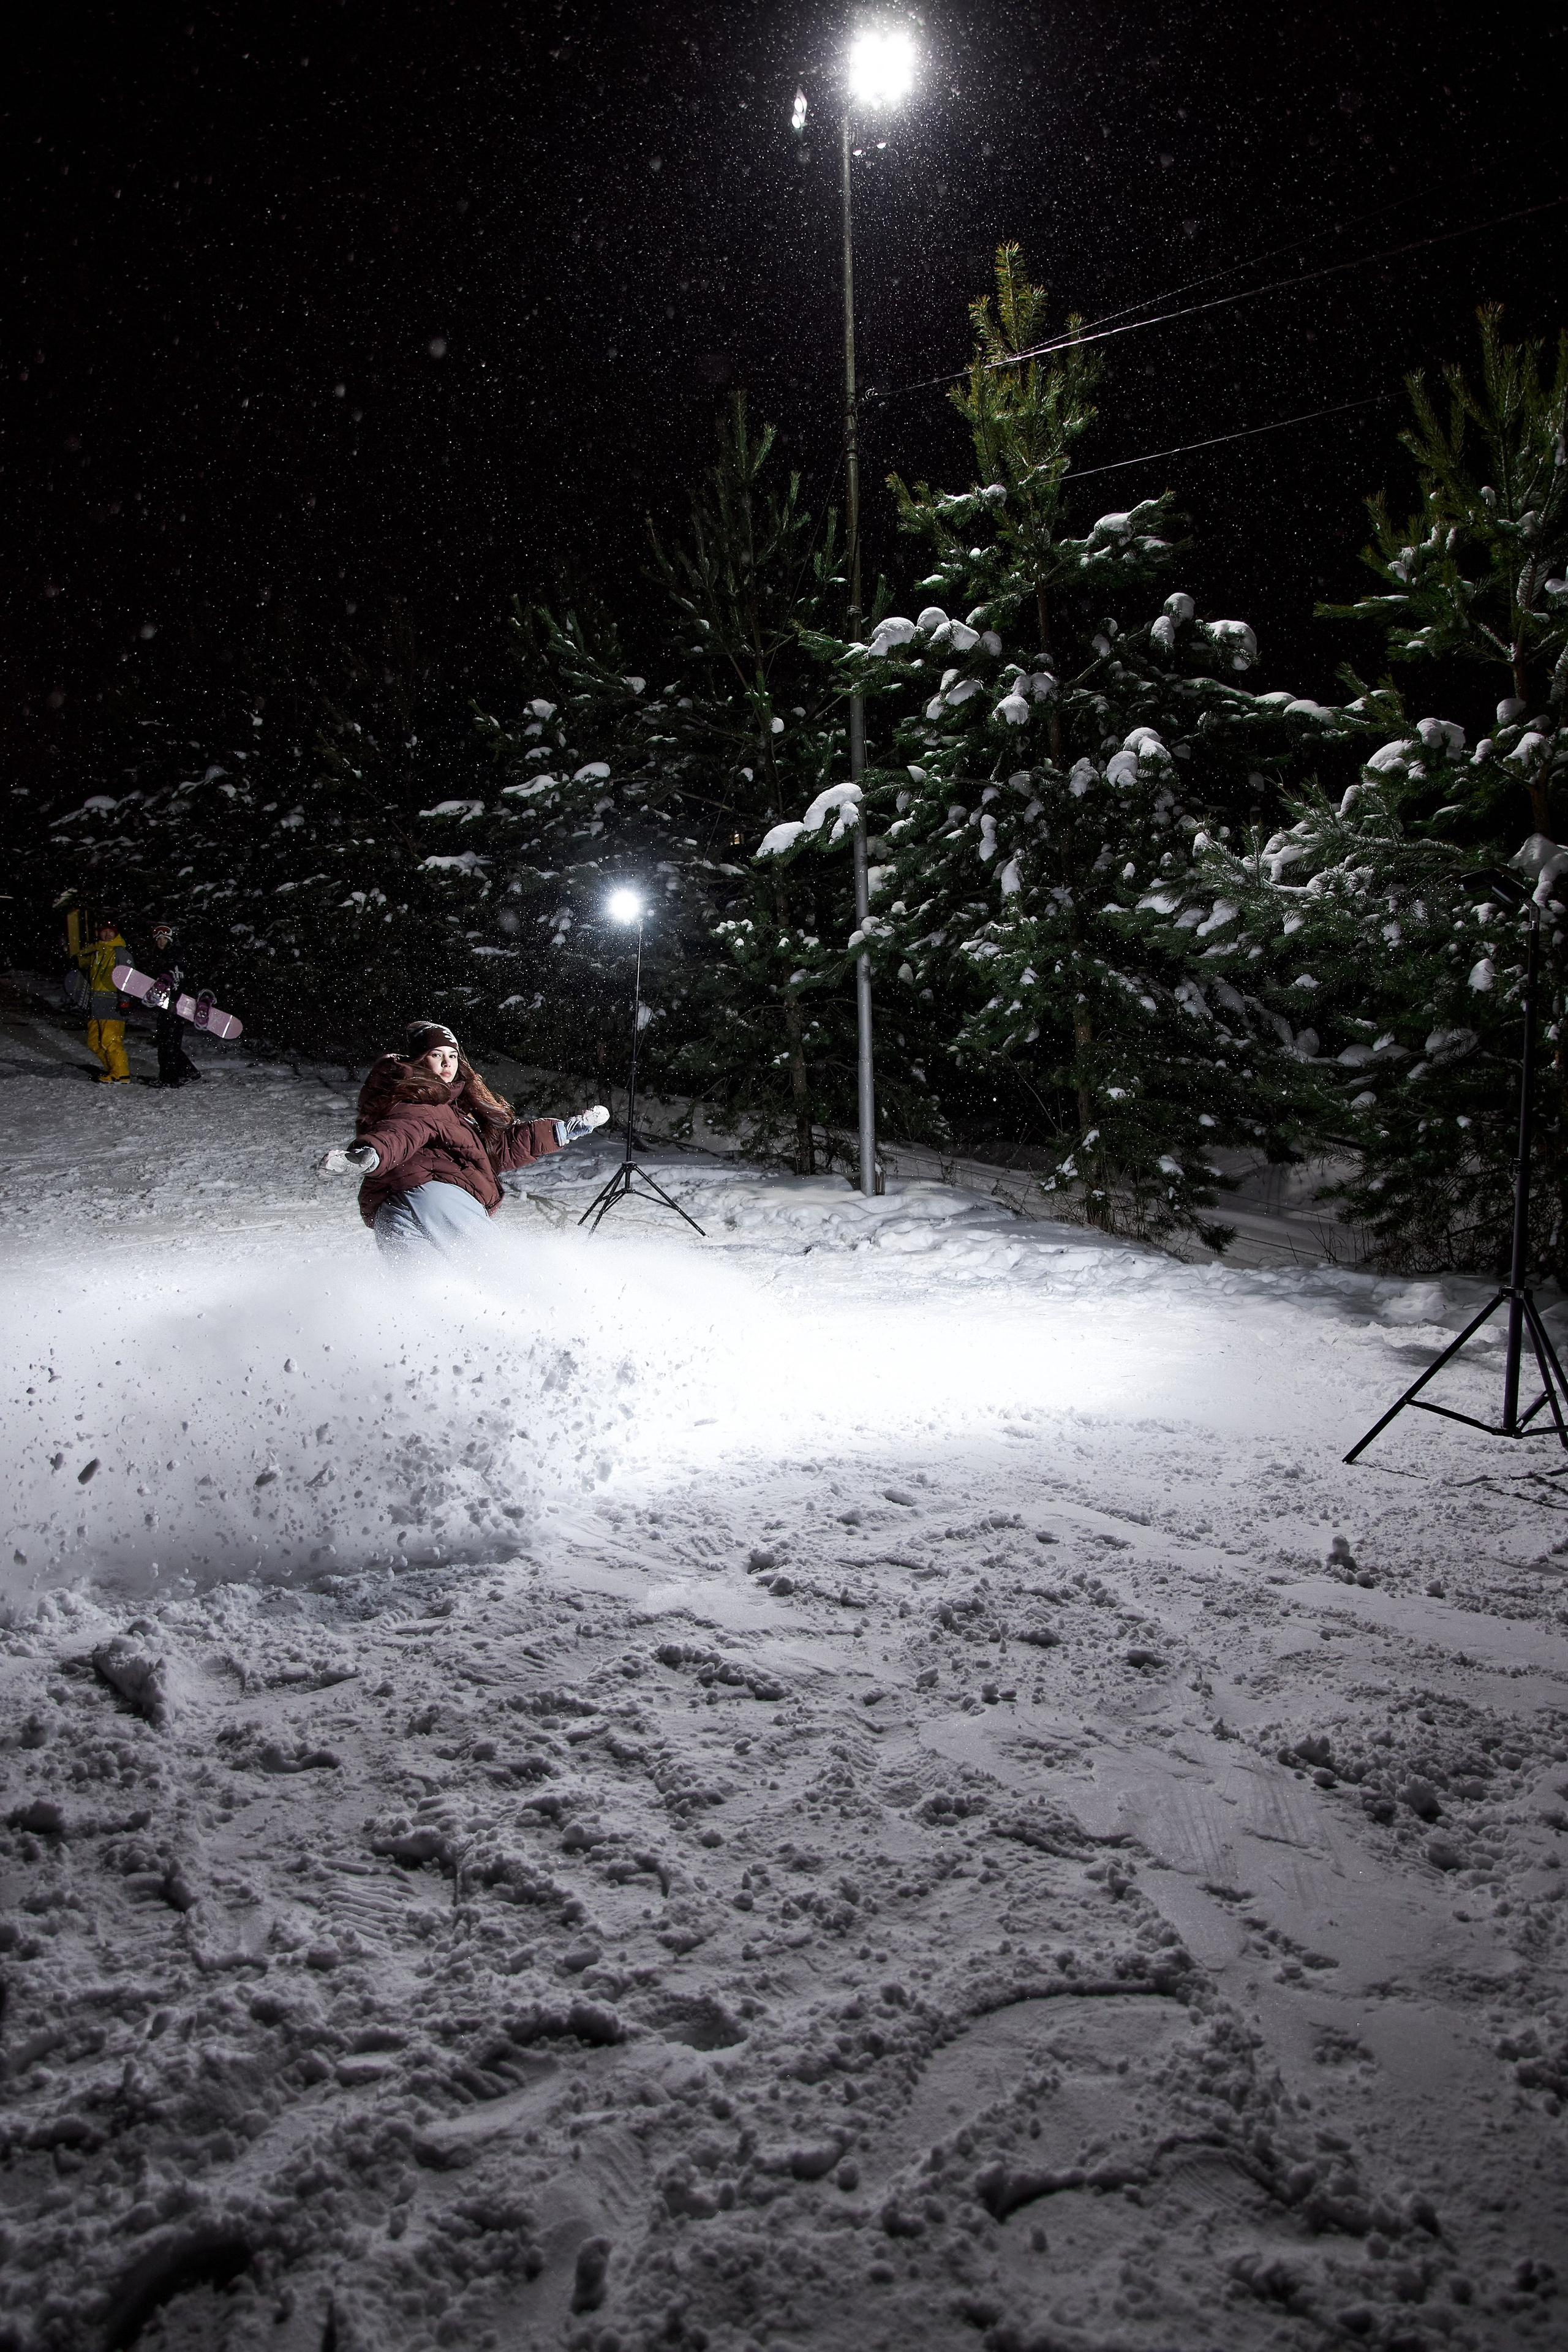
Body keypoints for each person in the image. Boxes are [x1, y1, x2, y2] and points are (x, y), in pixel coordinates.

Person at [316, 1020, 610, 1254]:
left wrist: (563, 1131)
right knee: (499, 1277)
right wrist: (372, 1154)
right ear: (419, 1061)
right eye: (436, 1055)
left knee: (429, 1301)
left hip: (391, 1212)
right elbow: (403, 1131)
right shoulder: (420, 1102)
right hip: (434, 1196)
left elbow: (495, 1151)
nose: (447, 1063)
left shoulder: (448, 1106)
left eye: (453, 1056)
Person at [72, 917, 132, 1086]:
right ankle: (113, 1070)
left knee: (110, 1041)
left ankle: (122, 1075)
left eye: (110, 932)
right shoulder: (98, 951)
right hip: (95, 1003)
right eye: (104, 931)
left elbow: (129, 979)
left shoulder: (121, 953)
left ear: (115, 934)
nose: (107, 934)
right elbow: (81, 962)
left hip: (112, 1002)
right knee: (94, 1043)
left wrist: (125, 1001)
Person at [147, 921, 202, 1090]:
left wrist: (173, 1001)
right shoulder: (169, 956)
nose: (161, 942)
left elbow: (173, 978)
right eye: (159, 940)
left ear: (171, 939)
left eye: (164, 939)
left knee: (167, 1043)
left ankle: (170, 1078)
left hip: (174, 1007)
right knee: (168, 1043)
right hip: (172, 1006)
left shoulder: (175, 957)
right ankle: (187, 1073)